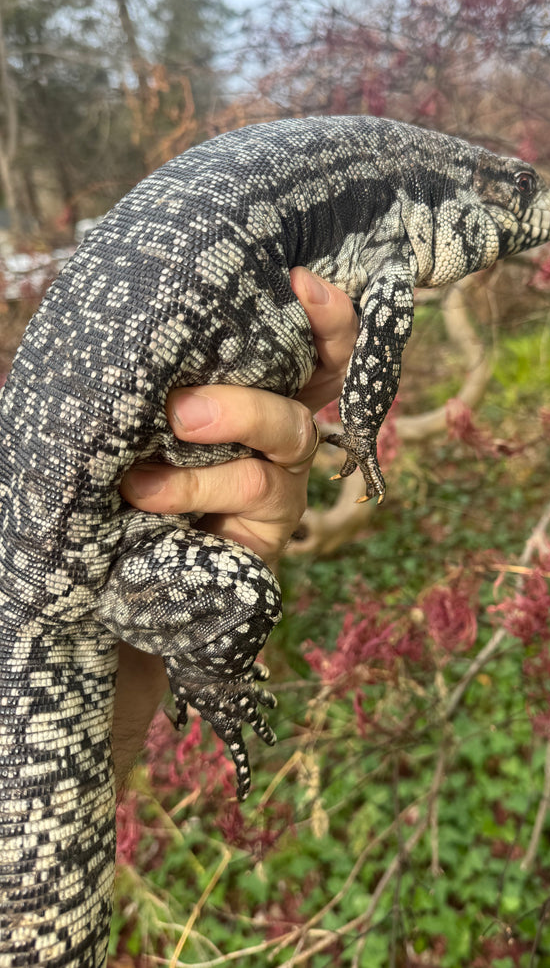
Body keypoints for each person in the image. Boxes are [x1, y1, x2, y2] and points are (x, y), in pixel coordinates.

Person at [111, 267, 359, 785]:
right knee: (251, 596)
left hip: (118, 582)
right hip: (98, 583)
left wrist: (157, 655)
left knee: (249, 594)